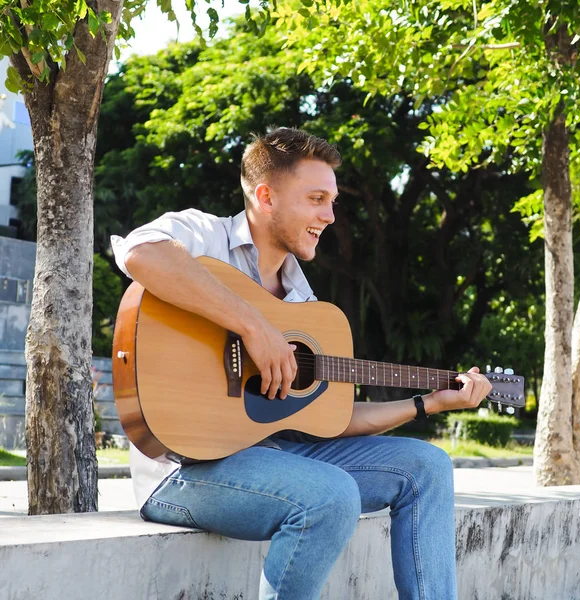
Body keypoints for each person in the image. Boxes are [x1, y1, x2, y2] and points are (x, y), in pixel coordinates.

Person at [111, 127, 492, 600]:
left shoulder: (301, 300)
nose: (329, 216)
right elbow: (138, 252)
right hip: (183, 469)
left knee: (427, 466)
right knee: (330, 494)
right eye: (316, 199)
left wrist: (427, 404)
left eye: (332, 201)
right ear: (265, 196)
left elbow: (327, 419)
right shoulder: (203, 235)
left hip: (274, 459)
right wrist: (253, 327)